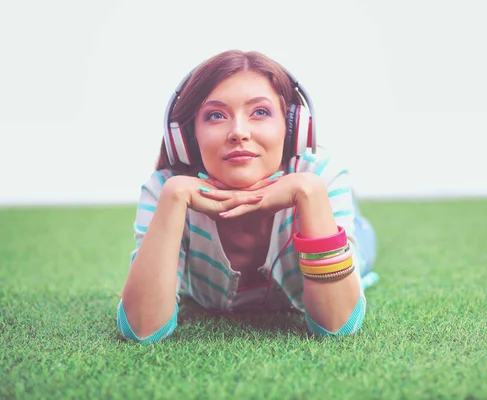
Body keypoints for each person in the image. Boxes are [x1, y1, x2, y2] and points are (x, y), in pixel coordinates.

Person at [117, 50, 379, 343]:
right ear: (188, 137)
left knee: (363, 250)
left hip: (332, 209)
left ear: (293, 127)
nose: (239, 132)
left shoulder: (319, 177)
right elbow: (141, 330)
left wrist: (311, 193)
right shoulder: (166, 189)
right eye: (216, 115)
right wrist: (174, 197)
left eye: (260, 112)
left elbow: (339, 325)